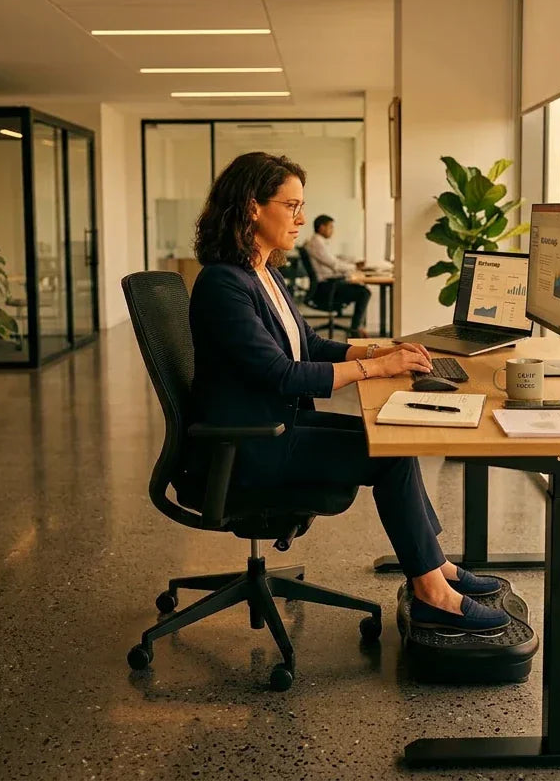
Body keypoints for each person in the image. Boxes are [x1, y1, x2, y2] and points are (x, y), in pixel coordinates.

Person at [188, 152, 509, 633]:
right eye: (291, 205)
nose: (301, 218)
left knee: (391, 441)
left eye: (302, 206)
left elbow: (308, 344)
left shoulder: (264, 272)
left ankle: (435, 568)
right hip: (250, 444)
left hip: (275, 423)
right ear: (253, 208)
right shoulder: (223, 284)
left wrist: (383, 348)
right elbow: (283, 374)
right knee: (389, 454)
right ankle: (432, 591)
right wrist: (376, 367)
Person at [303, 214, 371, 338]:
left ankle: (357, 328)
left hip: (329, 285)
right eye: (330, 227)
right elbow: (334, 264)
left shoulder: (320, 242)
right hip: (327, 288)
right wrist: (355, 267)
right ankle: (355, 329)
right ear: (322, 227)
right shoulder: (316, 242)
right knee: (364, 292)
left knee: (361, 289)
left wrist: (352, 263)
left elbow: (335, 258)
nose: (332, 230)